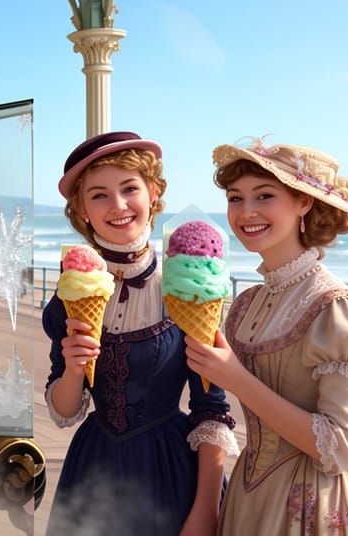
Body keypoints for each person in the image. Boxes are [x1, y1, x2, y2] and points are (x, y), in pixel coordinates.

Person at [185, 137, 348, 535]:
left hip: (317, 504)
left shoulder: (338, 310)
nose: (246, 212)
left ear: (304, 203)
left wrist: (236, 379)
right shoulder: (245, 304)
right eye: (235, 198)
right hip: (248, 497)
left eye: (264, 196)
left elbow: (339, 449)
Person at [43, 131, 236, 536]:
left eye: (129, 188)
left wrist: (206, 510)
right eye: (98, 195)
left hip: (170, 470)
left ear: (153, 193)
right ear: (81, 209)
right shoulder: (69, 297)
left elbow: (211, 409)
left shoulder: (185, 288)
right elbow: (63, 411)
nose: (117, 205)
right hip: (93, 469)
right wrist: (75, 368)